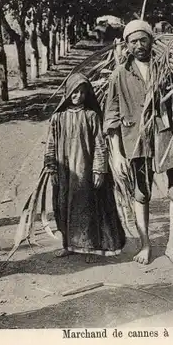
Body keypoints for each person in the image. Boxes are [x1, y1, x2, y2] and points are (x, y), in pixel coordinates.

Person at [103, 20, 173, 266]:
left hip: (170, 137)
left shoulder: (169, 65)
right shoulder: (120, 75)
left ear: (152, 41)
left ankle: (172, 246)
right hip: (136, 140)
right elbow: (111, 117)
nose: (139, 45)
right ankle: (145, 245)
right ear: (127, 45)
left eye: (144, 40)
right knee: (141, 194)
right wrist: (118, 153)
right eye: (134, 41)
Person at [44, 72, 126, 262]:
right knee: (63, 206)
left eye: (82, 92)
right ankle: (68, 244)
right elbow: (50, 145)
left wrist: (99, 169)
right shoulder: (58, 118)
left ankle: (90, 247)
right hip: (64, 172)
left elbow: (99, 144)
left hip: (85, 172)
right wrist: (52, 169)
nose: (78, 96)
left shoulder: (91, 116)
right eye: (74, 92)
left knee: (87, 207)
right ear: (67, 93)